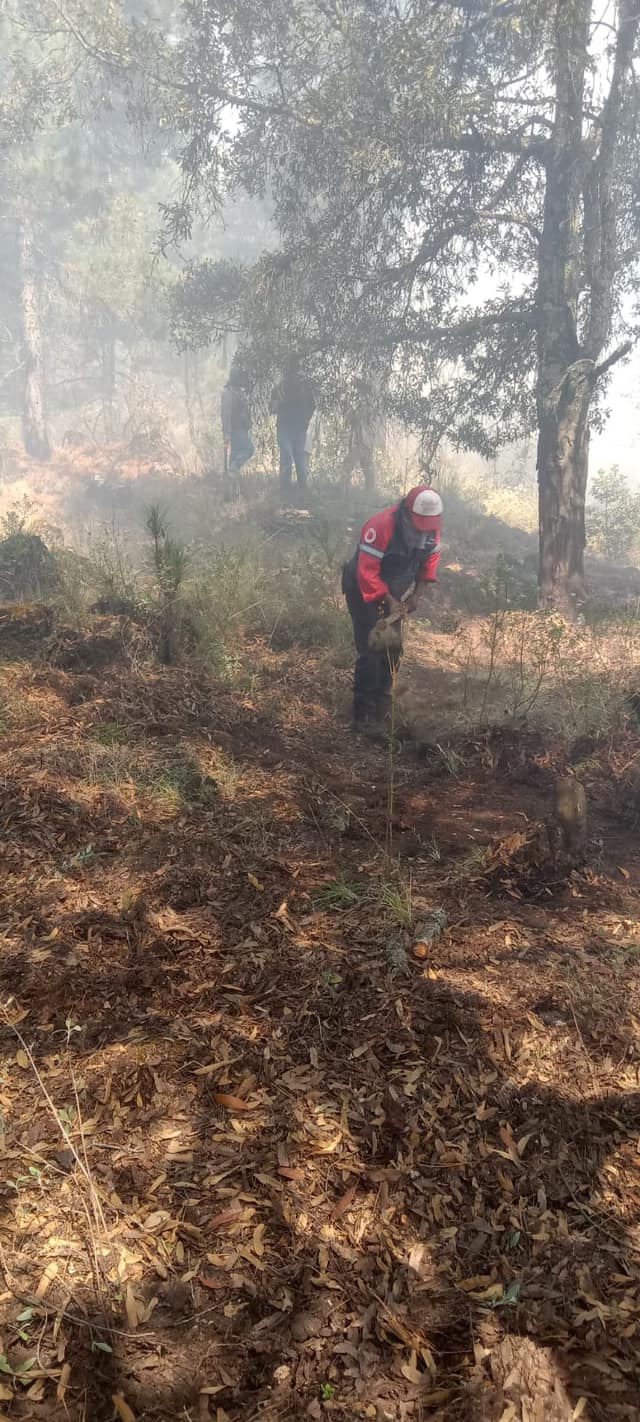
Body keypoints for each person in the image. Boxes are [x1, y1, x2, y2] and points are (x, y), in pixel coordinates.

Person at [342, 486, 443, 728]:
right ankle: (363, 715)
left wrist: (416, 595)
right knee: (371, 648)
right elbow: (366, 572)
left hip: (394, 594)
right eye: (419, 526)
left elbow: (429, 565)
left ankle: (383, 705)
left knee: (392, 649)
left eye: (428, 527)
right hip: (362, 590)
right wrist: (390, 601)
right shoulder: (380, 526)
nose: (423, 534)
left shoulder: (432, 531)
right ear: (406, 514)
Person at [271, 360, 316, 491]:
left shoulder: (305, 387)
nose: (292, 373)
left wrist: (305, 422)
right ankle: (287, 490)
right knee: (287, 458)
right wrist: (278, 401)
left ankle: (301, 489)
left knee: (298, 460)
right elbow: (272, 409)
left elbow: (312, 406)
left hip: (297, 429)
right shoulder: (279, 388)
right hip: (286, 428)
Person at [221, 367, 254, 476]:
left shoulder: (238, 392)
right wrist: (227, 433)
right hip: (236, 429)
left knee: (234, 454)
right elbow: (226, 414)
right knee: (249, 449)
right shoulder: (228, 393)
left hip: (241, 427)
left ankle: (232, 483)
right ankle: (233, 468)